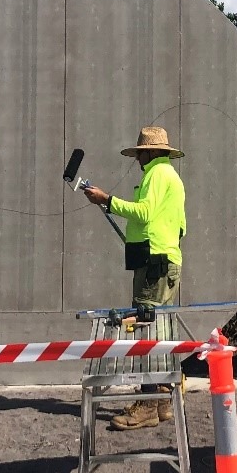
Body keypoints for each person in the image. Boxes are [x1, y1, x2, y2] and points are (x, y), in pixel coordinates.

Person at [82, 125, 186, 431]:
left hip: (154, 262)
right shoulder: (171, 178)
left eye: (141, 152)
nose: (138, 158)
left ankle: (148, 405)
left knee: (145, 331)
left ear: (152, 151)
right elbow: (180, 225)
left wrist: (107, 200)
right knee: (159, 330)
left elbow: (144, 213)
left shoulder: (157, 175)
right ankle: (162, 402)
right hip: (163, 259)